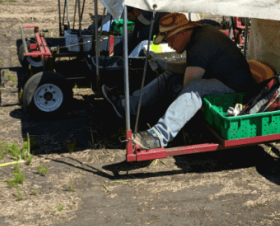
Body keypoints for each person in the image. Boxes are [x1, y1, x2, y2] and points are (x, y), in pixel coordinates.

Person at [102, 12, 254, 149]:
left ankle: (159, 136)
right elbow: (191, 67)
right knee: (172, 74)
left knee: (195, 88)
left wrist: (170, 89)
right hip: (221, 79)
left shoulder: (201, 44)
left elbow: (188, 84)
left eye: (168, 39)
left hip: (236, 89)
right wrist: (167, 66)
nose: (168, 44)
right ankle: (130, 105)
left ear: (181, 33)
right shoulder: (198, 36)